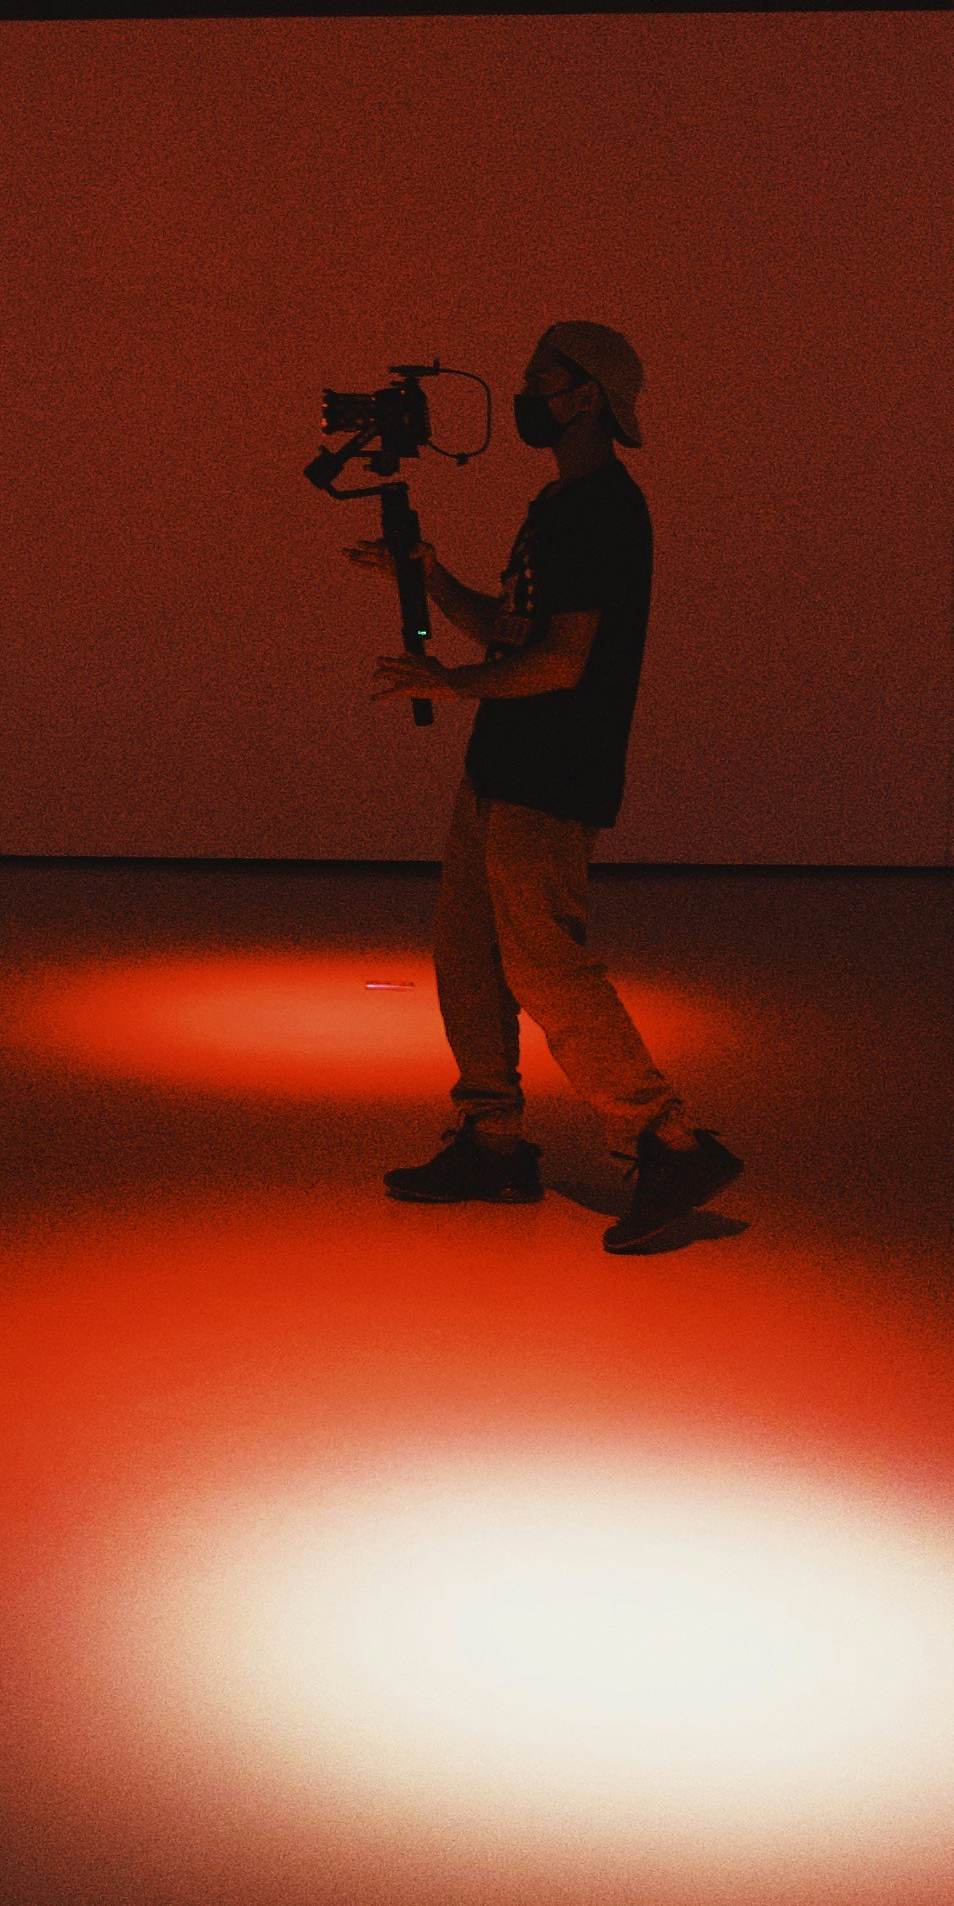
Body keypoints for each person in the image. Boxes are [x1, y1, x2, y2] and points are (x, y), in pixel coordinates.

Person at [355, 320, 741, 1253]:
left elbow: (564, 662)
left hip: (554, 767)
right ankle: (492, 1138)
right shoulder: (558, 505)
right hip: (503, 760)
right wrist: (433, 579)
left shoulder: (606, 510)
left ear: (586, 398)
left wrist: (448, 684)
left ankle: (664, 1137)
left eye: (541, 375)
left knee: (543, 961)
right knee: (469, 950)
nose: (524, 387)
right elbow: (517, 630)